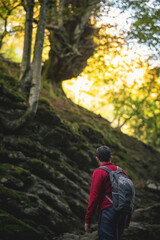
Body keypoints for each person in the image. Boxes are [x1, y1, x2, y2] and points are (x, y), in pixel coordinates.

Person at [84, 146, 130, 240]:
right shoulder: (122, 172)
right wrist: (127, 219)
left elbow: (94, 198)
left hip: (108, 212)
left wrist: (88, 220)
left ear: (97, 159)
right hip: (123, 213)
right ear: (111, 157)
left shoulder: (99, 172)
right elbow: (129, 195)